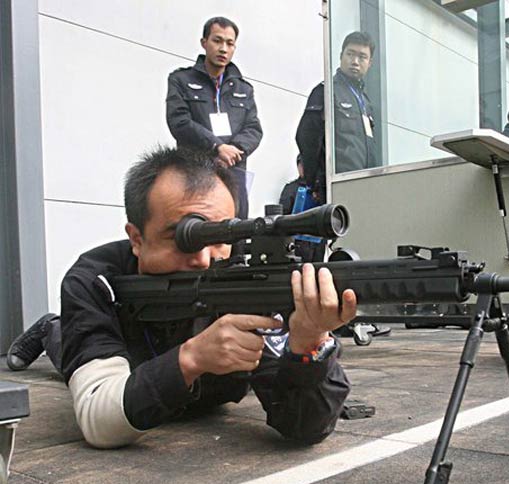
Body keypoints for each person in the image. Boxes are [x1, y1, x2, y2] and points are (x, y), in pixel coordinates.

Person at [5, 146, 356, 449]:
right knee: (67, 345)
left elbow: (303, 427)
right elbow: (100, 419)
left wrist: (309, 345)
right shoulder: (96, 281)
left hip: (200, 397)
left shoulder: (248, 280)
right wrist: (192, 358)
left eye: (219, 236)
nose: (202, 259)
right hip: (116, 365)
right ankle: (51, 328)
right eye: (182, 238)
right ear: (137, 238)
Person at [166, 16, 262, 219]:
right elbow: (179, 122)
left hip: (233, 174)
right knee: (197, 228)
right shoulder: (180, 80)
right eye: (217, 41)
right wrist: (217, 147)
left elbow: (253, 129)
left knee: (236, 231)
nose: (223, 49)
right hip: (195, 172)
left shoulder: (244, 88)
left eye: (229, 43)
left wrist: (233, 151)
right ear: (204, 43)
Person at [296, 31, 377, 202]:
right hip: (336, 186)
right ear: (341, 56)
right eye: (350, 54)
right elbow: (306, 137)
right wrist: (315, 183)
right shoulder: (326, 91)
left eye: (362, 57)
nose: (355, 61)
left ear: (370, 63)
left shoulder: (365, 102)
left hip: (364, 186)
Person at [278, 153, 327, 263]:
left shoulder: (322, 188)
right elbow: (282, 213)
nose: (304, 168)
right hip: (298, 241)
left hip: (318, 241)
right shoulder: (291, 188)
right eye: (301, 165)